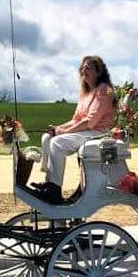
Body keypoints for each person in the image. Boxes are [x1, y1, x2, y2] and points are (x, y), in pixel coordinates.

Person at [31, 55, 115, 203]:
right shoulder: (85, 92)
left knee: (57, 143)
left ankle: (54, 190)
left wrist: (63, 132)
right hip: (87, 131)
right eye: (82, 68)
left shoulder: (103, 90)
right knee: (47, 137)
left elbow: (90, 121)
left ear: (98, 72)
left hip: (99, 133)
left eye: (88, 67)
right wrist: (58, 128)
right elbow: (76, 120)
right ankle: (50, 182)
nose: (84, 70)